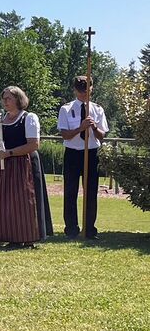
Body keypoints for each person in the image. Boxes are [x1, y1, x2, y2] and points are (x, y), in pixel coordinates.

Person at [0, 86, 54, 247]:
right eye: (4, 98)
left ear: (18, 100)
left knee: (24, 202)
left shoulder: (28, 118)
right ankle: (10, 235)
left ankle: (28, 237)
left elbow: (33, 144)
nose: (5, 101)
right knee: (4, 200)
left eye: (9, 98)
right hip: (2, 164)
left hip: (24, 164)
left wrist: (10, 153)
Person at [57, 76, 109, 240]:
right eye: (80, 90)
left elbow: (102, 136)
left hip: (91, 153)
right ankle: (71, 229)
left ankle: (89, 229)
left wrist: (93, 127)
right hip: (73, 153)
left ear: (91, 89)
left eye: (86, 89)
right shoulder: (66, 109)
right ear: (74, 90)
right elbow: (65, 135)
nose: (83, 93)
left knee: (91, 192)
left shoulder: (97, 109)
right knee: (70, 191)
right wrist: (80, 128)